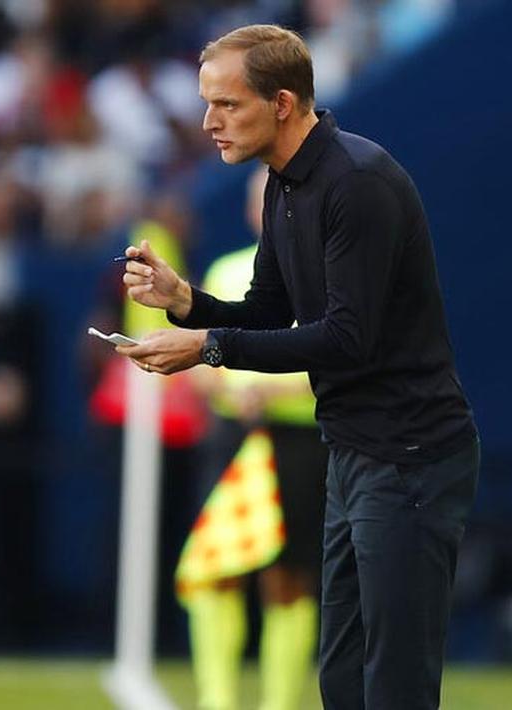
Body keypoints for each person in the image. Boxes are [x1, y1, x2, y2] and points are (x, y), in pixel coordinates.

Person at [117, 25, 478, 710]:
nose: (207, 122)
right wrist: (185, 303)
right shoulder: (285, 184)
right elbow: (267, 306)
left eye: (226, 105)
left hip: (410, 455)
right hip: (353, 451)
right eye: (206, 103)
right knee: (342, 680)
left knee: (393, 684)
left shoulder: (357, 183)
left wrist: (207, 347)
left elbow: (348, 339)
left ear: (282, 103)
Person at [181, 167, 326, 710]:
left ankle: (279, 702)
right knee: (217, 566)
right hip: (232, 439)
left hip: (298, 439)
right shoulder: (224, 271)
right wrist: (220, 382)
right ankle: (217, 699)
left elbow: (337, 357)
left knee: (289, 576)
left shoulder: (323, 274)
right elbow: (198, 355)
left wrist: (269, 391)